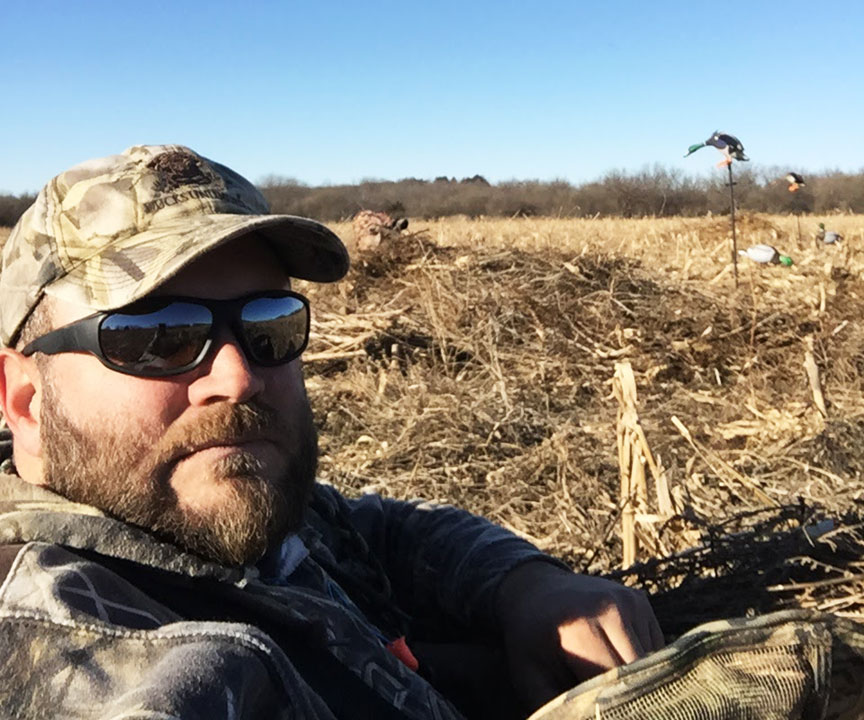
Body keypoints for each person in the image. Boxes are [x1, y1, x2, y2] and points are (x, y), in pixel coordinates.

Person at [0, 144, 662, 719]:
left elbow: (381, 529)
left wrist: (526, 585)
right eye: (156, 336)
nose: (238, 376)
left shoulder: (219, 501)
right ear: (26, 401)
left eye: (268, 324)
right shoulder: (70, 640)